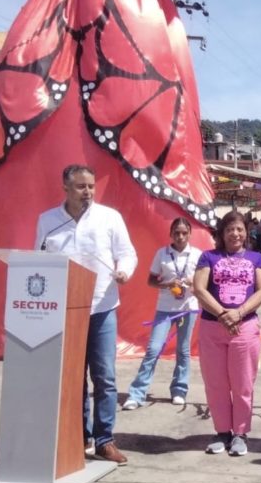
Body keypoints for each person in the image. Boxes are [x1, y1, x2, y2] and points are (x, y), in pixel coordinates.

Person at [36, 164, 137, 465]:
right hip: (64, 309)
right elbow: (38, 259)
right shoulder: (48, 221)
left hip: (101, 307)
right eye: (81, 186)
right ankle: (79, 437)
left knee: (104, 377)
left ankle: (105, 440)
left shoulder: (109, 217)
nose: (88, 192)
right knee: (73, 378)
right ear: (65, 187)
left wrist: (124, 271)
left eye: (91, 186)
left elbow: (127, 253)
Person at [192, 211, 261, 458]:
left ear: (246, 232)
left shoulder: (257, 258)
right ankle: (222, 432)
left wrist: (239, 313)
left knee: (242, 383)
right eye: (229, 230)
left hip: (244, 328)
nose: (235, 234)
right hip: (212, 327)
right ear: (222, 234)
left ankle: (240, 433)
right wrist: (223, 314)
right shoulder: (208, 257)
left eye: (239, 229)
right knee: (216, 384)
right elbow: (199, 289)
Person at [123, 218, 202, 409]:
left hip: (188, 308)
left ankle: (179, 390)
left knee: (183, 350)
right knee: (153, 349)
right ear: (171, 234)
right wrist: (167, 284)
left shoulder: (197, 254)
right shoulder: (162, 253)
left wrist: (193, 282)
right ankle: (137, 394)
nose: (180, 237)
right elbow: (151, 280)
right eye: (177, 233)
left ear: (190, 234)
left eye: (184, 233)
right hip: (165, 308)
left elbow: (203, 282)